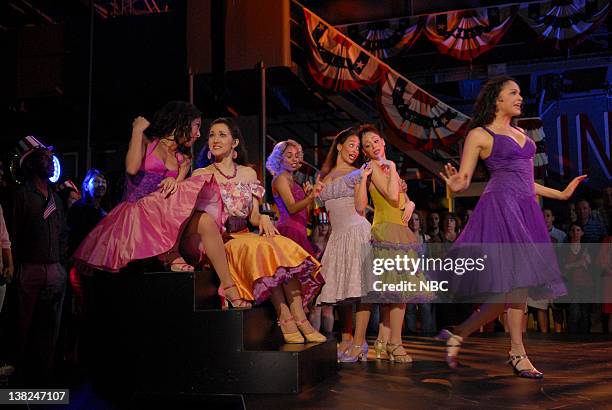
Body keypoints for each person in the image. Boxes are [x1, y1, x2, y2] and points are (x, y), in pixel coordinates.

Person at [437, 76, 585, 378]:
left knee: (515, 288)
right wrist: (456, 184)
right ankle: (517, 353)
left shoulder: (520, 133)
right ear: (497, 100)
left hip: (525, 208)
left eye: (519, 93)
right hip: (500, 209)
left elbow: (525, 179)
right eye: (513, 93)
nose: (520, 97)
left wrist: (560, 194)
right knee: (516, 285)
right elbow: (464, 178)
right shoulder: (480, 134)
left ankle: (459, 333)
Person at [72, 103, 251, 308]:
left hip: (164, 221)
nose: (199, 134)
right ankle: (170, 255)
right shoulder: (148, 144)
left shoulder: (183, 159)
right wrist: (137, 130)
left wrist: (176, 181)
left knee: (204, 218)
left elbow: (180, 202)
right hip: (135, 215)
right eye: (196, 126)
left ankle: (227, 286)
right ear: (182, 123)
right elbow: (131, 168)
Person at [184, 117, 326, 343]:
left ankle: (301, 318)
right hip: (221, 241)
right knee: (260, 248)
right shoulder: (201, 175)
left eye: (222, 134)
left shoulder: (248, 174)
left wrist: (264, 219)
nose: (215, 139)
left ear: (235, 142)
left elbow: (253, 215)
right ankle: (285, 316)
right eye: (211, 134)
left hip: (245, 235)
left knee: (282, 246)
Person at [358, 124, 431, 364]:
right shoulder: (376, 169)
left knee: (394, 292)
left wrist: (410, 204)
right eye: (367, 146)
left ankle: (384, 340)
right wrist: (389, 167)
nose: (372, 146)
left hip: (399, 230)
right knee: (397, 293)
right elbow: (391, 196)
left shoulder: (388, 168)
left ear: (383, 142)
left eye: (375, 141)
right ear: (365, 152)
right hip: (387, 230)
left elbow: (402, 199)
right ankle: (395, 344)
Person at [8, 136, 69, 385]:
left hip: (54, 270)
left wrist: (61, 265)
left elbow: (63, 232)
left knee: (49, 329)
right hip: (29, 269)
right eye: (44, 156)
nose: (51, 161)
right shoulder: (20, 196)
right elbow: (10, 234)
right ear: (31, 163)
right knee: (21, 328)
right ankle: (17, 384)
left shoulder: (55, 197)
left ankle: (43, 382)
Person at [315, 127, 372, 362]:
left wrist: (363, 180)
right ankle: (346, 340)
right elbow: (317, 208)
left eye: (358, 148)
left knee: (361, 290)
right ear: (339, 146)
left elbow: (360, 208)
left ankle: (360, 343)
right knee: (342, 292)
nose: (355, 151)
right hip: (337, 237)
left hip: (357, 231)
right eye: (351, 145)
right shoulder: (325, 176)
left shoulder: (358, 172)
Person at [267, 139, 322, 255]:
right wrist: (310, 197)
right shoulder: (280, 178)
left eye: (297, 155)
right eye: (289, 156)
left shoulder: (294, 182)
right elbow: (291, 208)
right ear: (279, 159)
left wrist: (308, 197)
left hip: (300, 231)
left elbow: (302, 212)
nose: (294, 159)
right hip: (290, 232)